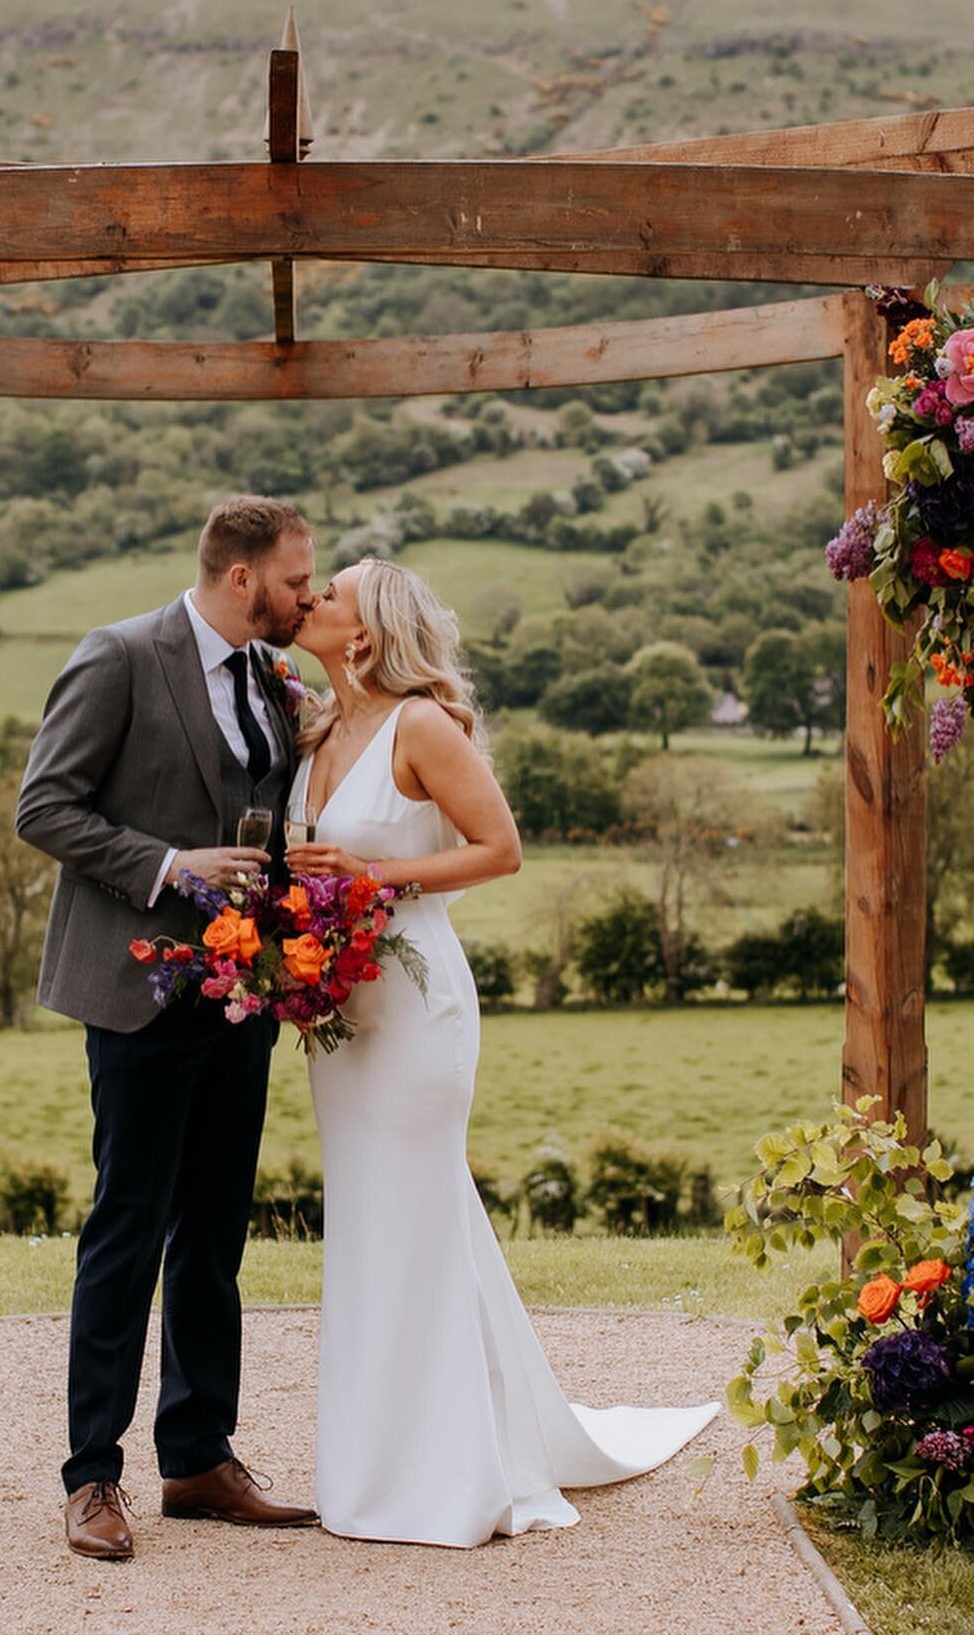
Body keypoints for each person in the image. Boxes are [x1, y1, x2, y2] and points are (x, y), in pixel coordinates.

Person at [285, 556, 719, 1546]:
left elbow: (500, 848)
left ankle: (449, 1475)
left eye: (328, 594)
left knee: (417, 1214)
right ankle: (385, 1459)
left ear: (365, 630)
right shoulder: (318, 727)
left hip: (417, 1004)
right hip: (341, 1012)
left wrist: (372, 874)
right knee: (374, 1224)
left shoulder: (421, 725)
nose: (308, 600)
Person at [16, 495, 321, 1561]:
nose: (307, 598)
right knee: (127, 1228)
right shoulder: (120, 657)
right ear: (241, 577)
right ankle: (91, 1477)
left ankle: (196, 1457)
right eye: (295, 581)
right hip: (135, 993)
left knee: (215, 1232)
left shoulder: (271, 681)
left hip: (240, 994)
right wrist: (167, 865)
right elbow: (43, 807)